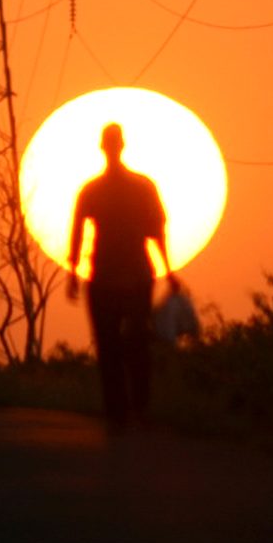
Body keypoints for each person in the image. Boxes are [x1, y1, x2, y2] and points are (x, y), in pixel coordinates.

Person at [67, 123, 176, 428]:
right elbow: (157, 231)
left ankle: (123, 411)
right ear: (120, 146)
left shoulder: (97, 189)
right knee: (129, 343)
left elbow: (156, 230)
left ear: (104, 147)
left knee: (116, 345)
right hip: (122, 276)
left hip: (116, 277)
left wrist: (73, 274)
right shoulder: (136, 187)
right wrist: (168, 270)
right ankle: (131, 409)